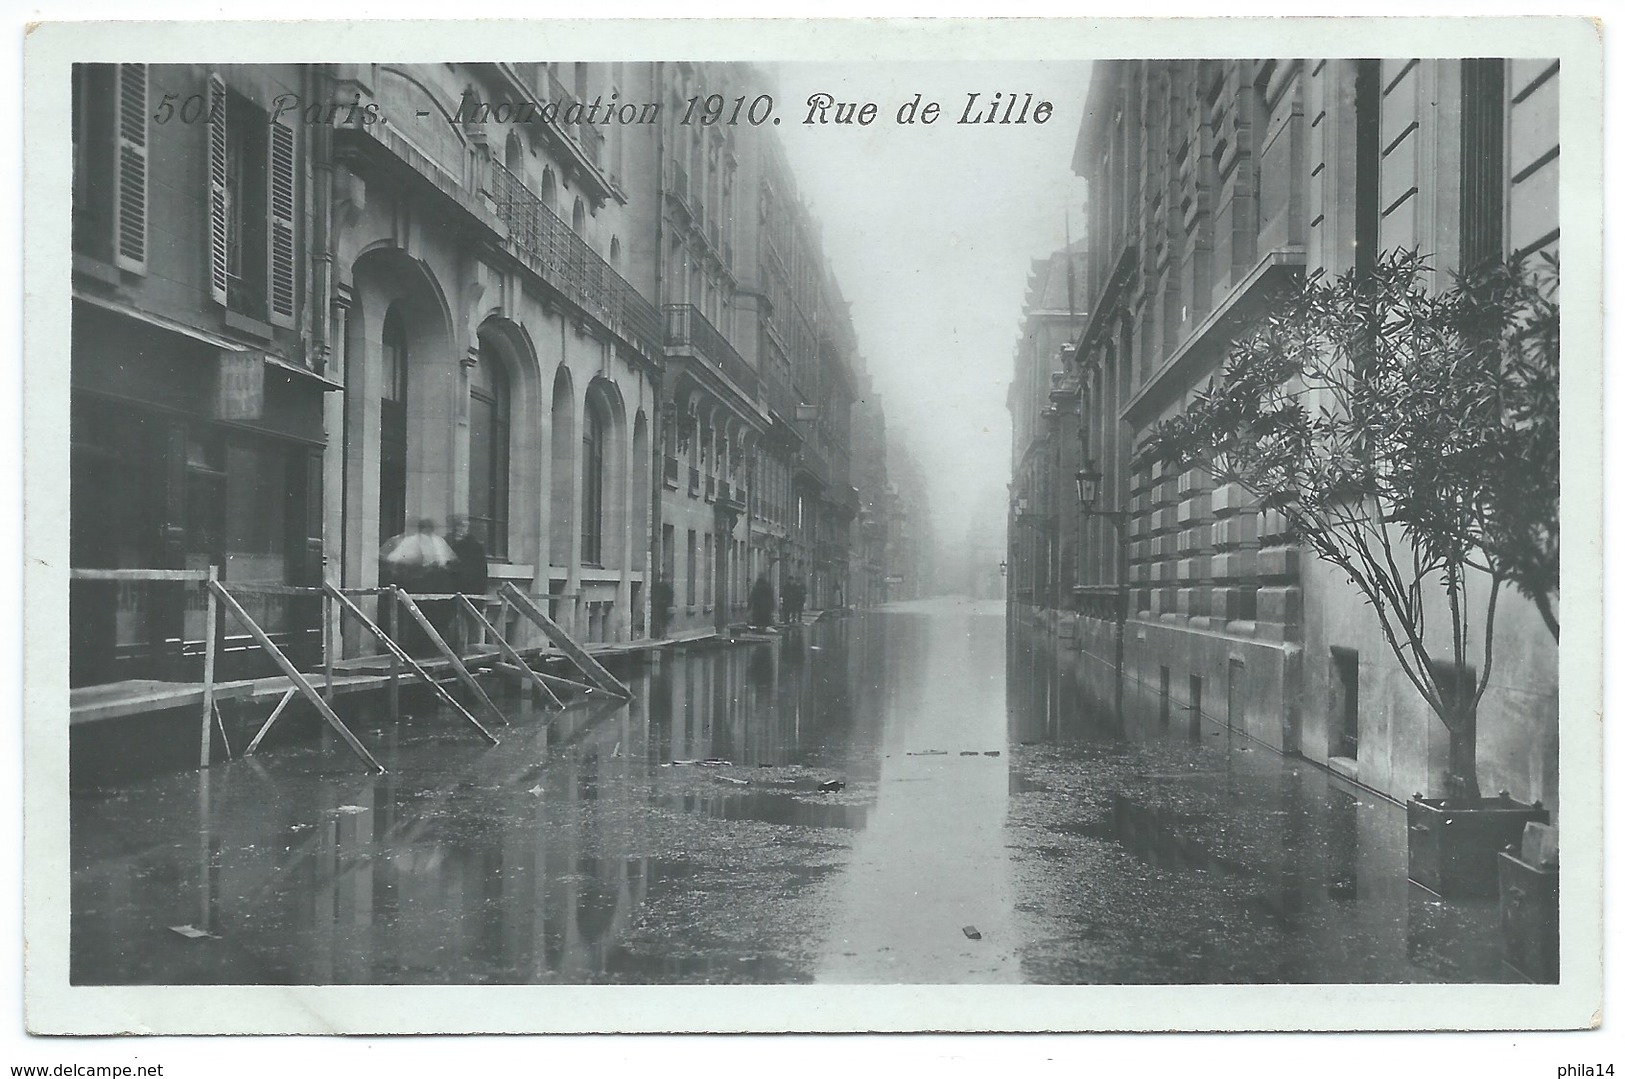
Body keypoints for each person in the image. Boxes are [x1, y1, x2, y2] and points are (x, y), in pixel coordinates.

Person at [446, 515, 489, 652]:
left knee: (470, 625)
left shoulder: (474, 547)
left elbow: (480, 573)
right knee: (456, 626)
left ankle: (468, 654)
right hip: (453, 591)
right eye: (458, 526)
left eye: (463, 526)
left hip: (470, 591)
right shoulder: (449, 543)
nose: (460, 530)